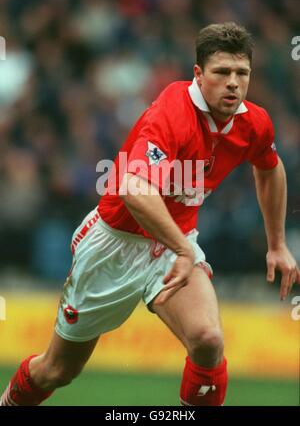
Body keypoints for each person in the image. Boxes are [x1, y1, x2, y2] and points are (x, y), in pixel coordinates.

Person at [1, 22, 299, 407]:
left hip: (173, 246)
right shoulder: (172, 111)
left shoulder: (253, 122)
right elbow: (133, 190)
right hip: (114, 245)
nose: (233, 83)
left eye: (241, 73)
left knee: (208, 341)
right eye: (221, 72)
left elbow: (270, 167)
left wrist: (276, 243)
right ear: (198, 73)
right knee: (57, 370)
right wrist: (184, 249)